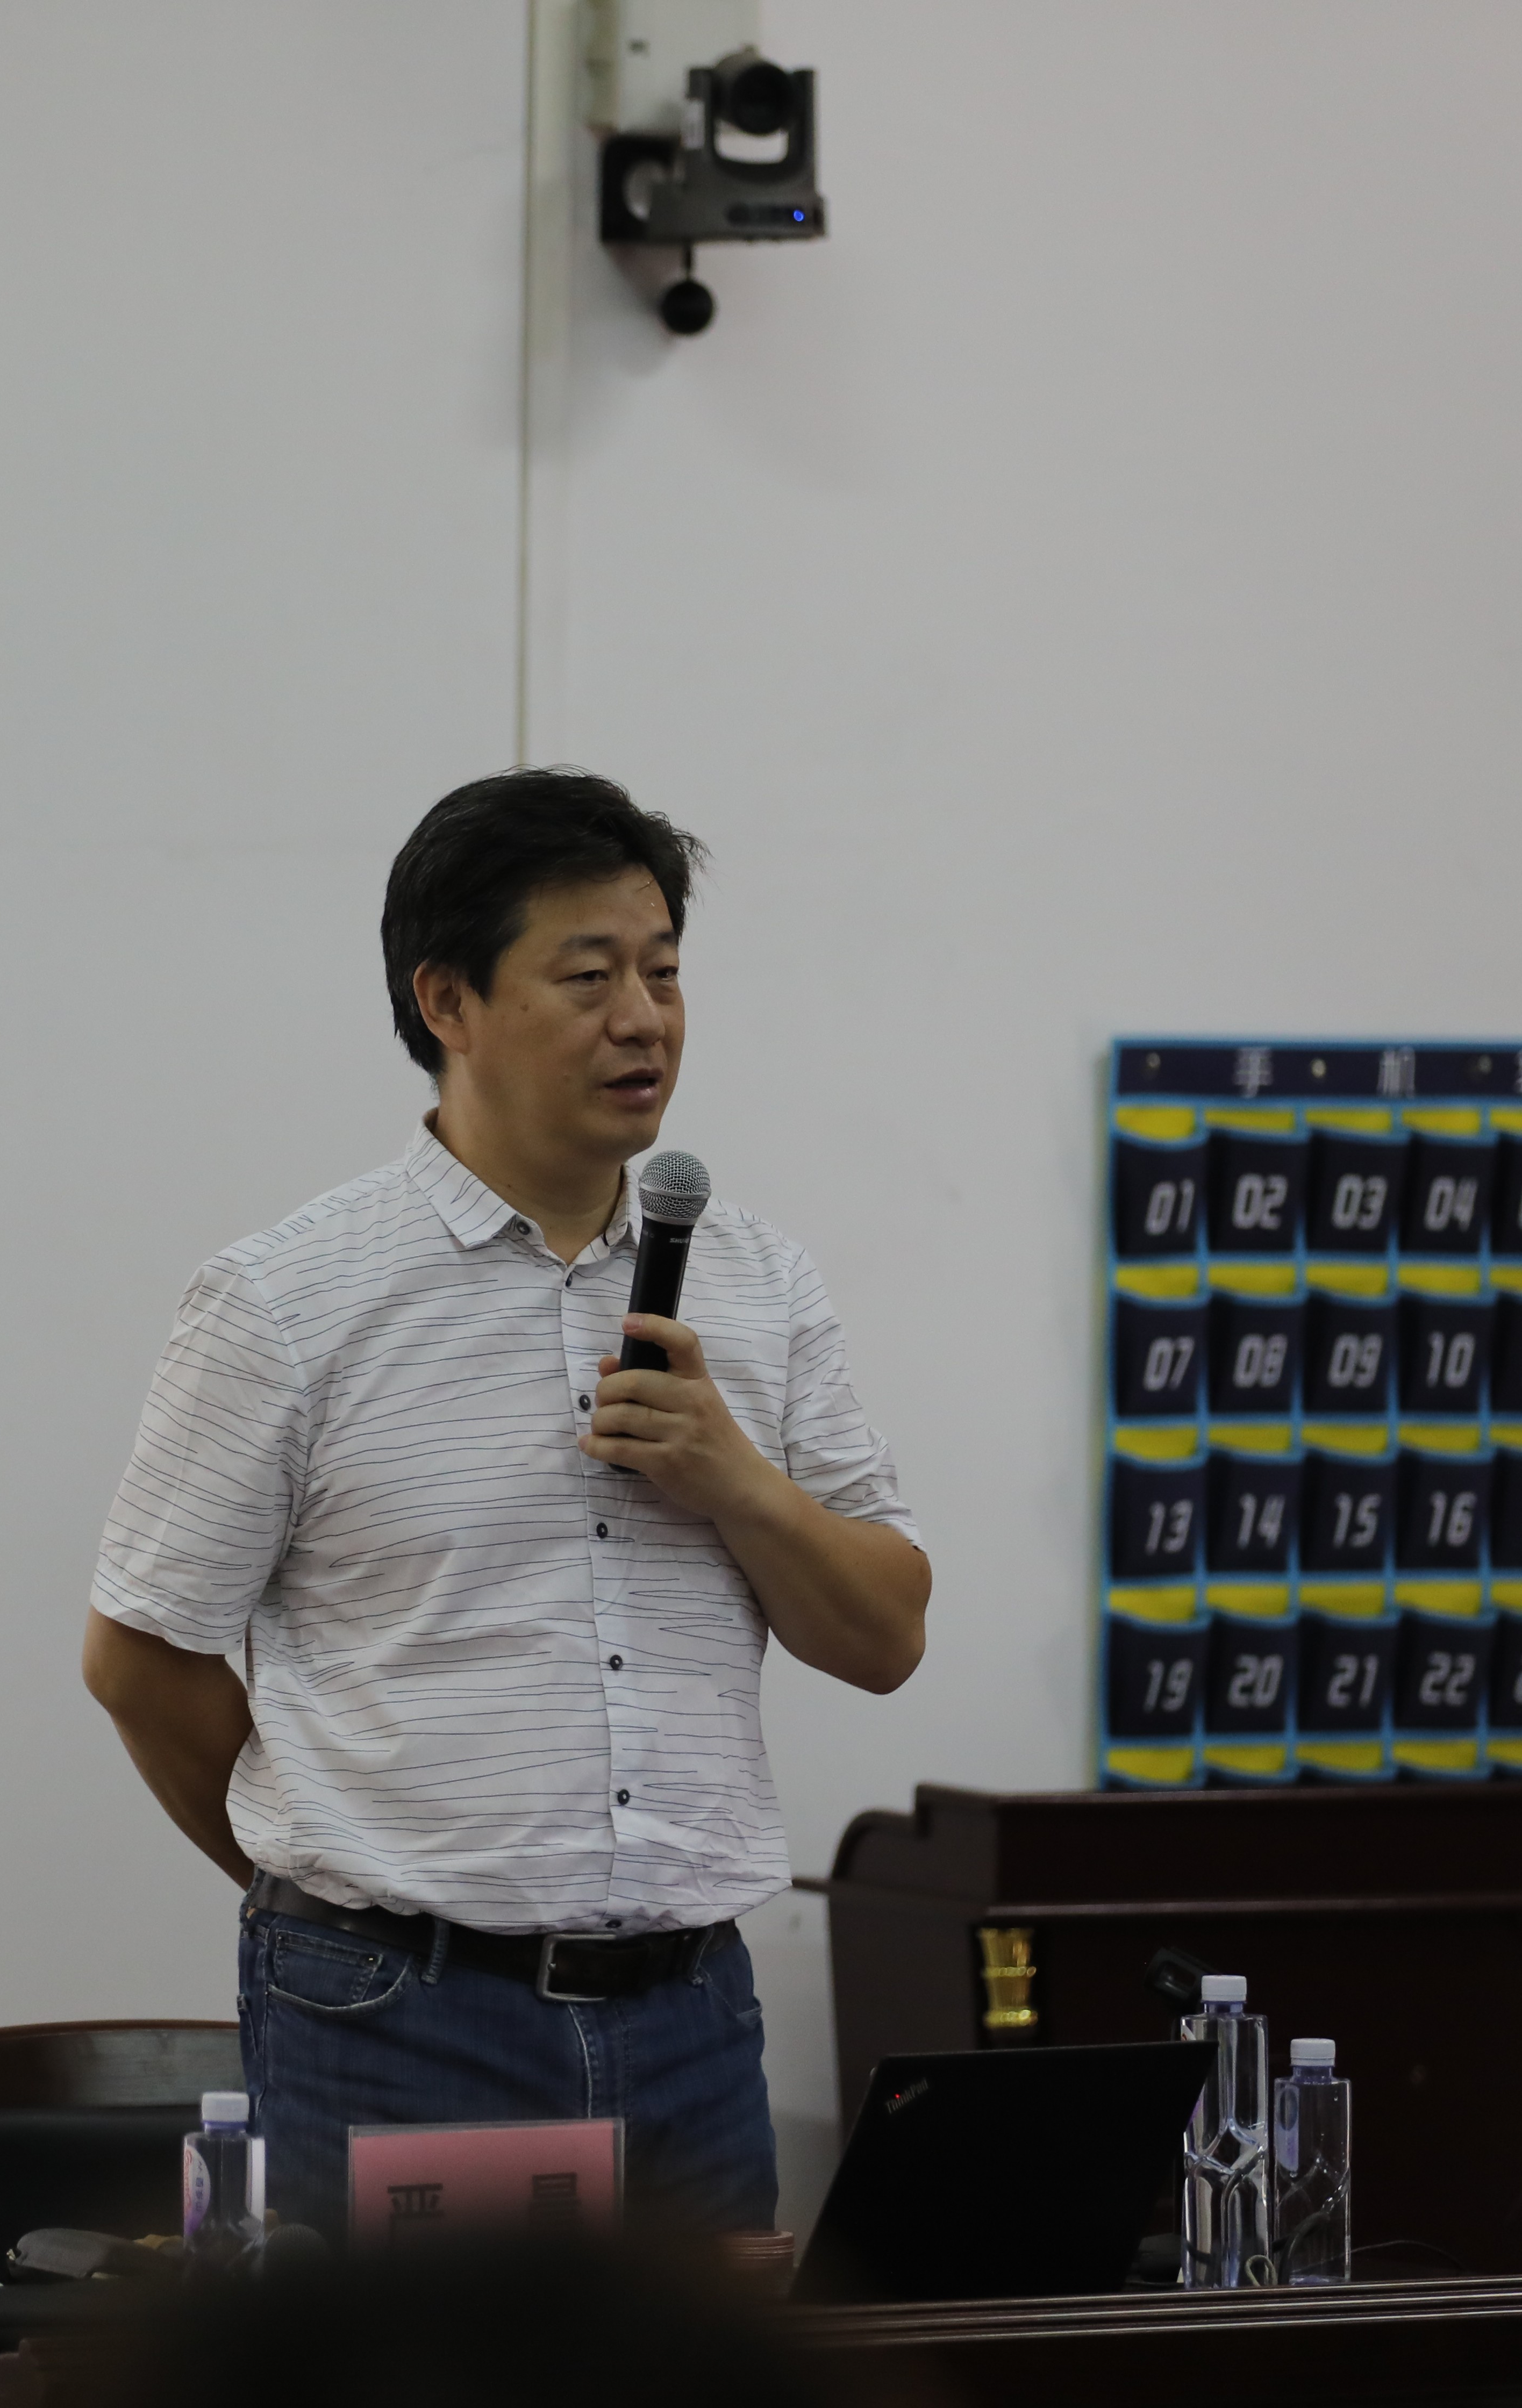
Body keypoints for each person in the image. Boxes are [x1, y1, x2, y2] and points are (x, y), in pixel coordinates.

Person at [82, 767, 932, 2243]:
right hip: (402, 2020)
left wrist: (736, 1483)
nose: (644, 1020)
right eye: (588, 977)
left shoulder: (760, 1281)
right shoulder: (290, 1299)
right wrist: (341, 1877)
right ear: (449, 1001)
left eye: (665, 972)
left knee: (697, 2369)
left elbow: (885, 1635)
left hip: (691, 2018)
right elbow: (140, 1659)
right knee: (428, 2370)